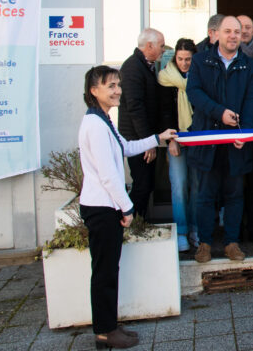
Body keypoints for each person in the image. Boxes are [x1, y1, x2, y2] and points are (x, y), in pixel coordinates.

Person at [79, 65, 175, 349]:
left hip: (105, 205)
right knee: (105, 271)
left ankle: (108, 325)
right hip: (101, 207)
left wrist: (158, 138)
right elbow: (108, 174)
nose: (117, 90)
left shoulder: (103, 119)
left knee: (108, 268)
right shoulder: (95, 125)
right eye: (110, 86)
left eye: (118, 84)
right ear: (94, 91)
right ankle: (105, 332)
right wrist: (127, 207)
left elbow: (127, 146)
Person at [187, 16, 253, 263]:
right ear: (216, 34)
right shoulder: (199, 61)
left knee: (234, 195)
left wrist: (245, 132)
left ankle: (231, 242)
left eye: (237, 32)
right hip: (208, 140)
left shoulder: (249, 66)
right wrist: (219, 112)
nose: (232, 36)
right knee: (205, 195)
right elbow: (194, 93)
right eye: (227, 31)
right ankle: (205, 244)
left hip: (236, 144)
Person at [118, 28, 165, 218]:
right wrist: (148, 142)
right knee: (142, 185)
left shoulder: (145, 65)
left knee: (147, 184)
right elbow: (135, 107)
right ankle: (133, 225)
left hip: (143, 138)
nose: (163, 50)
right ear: (149, 46)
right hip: (137, 140)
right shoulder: (132, 68)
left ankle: (139, 223)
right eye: (161, 46)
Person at [158, 38, 199, 252]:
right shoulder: (166, 78)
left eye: (188, 59)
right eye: (181, 59)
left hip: (197, 138)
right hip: (176, 138)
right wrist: (171, 140)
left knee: (197, 186)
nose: (184, 63)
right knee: (179, 186)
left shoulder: (200, 77)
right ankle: (181, 231)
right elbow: (164, 111)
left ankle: (195, 228)